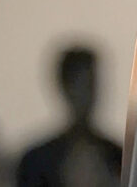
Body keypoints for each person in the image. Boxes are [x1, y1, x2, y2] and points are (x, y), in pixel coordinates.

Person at [16, 46, 122, 187]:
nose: (91, 94)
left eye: (93, 84)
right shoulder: (35, 162)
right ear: (65, 87)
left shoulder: (118, 157)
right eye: (84, 85)